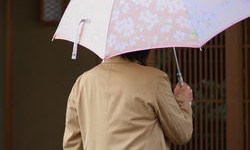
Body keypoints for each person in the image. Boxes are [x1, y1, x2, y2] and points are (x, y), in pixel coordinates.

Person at [63, 50, 193, 150]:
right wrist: (183, 99)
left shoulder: (83, 82)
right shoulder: (154, 79)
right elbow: (181, 133)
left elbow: (72, 144)